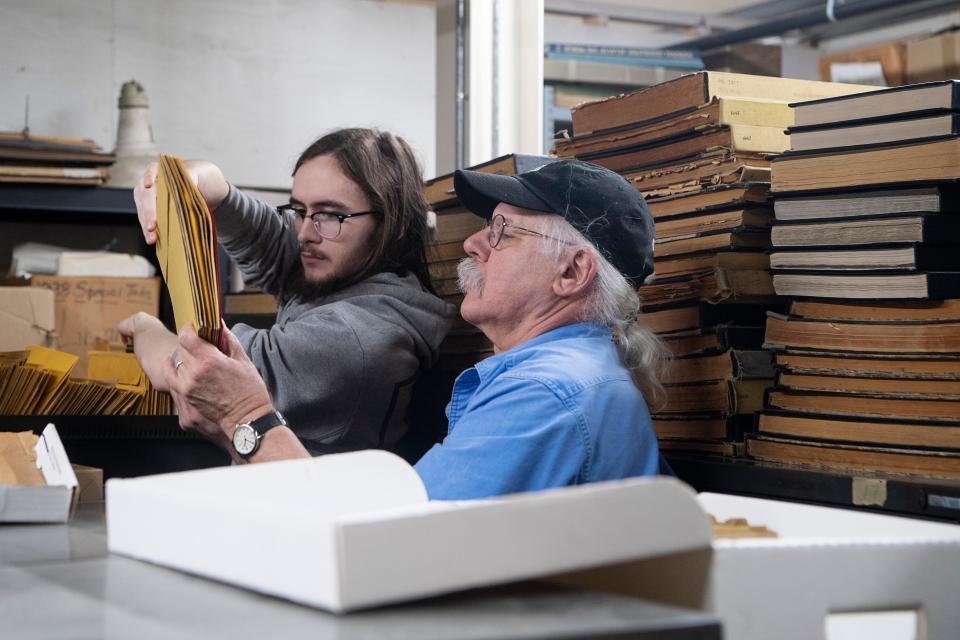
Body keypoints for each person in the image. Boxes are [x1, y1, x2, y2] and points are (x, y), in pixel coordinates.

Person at [161, 159, 667, 500]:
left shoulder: (545, 393)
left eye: (501, 232)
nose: (472, 243)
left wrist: (246, 417)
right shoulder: (572, 374)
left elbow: (394, 545)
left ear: (573, 273)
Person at [120, 128, 455, 455]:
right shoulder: (341, 266)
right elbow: (225, 199)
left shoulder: (354, 336)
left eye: (330, 214)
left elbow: (200, 366)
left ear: (391, 225)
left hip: (311, 505)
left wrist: (142, 327)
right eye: (299, 210)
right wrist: (182, 183)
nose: (305, 232)